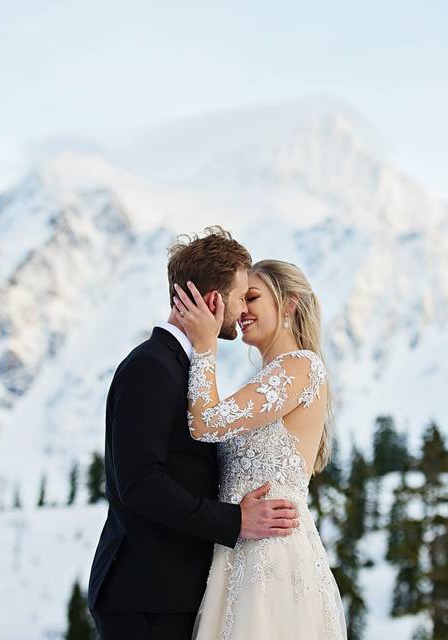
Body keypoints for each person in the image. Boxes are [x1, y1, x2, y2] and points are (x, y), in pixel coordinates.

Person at [87, 227, 302, 639]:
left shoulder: (183, 368)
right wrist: (234, 521)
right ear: (214, 301)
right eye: (240, 297)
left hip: (171, 595)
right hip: (146, 597)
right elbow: (140, 482)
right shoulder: (152, 366)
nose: (241, 311)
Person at [172, 258, 347, 640]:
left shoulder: (300, 366)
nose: (241, 310)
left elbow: (205, 423)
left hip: (272, 557)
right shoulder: (266, 379)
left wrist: (204, 348)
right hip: (238, 555)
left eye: (252, 298)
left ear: (289, 305)